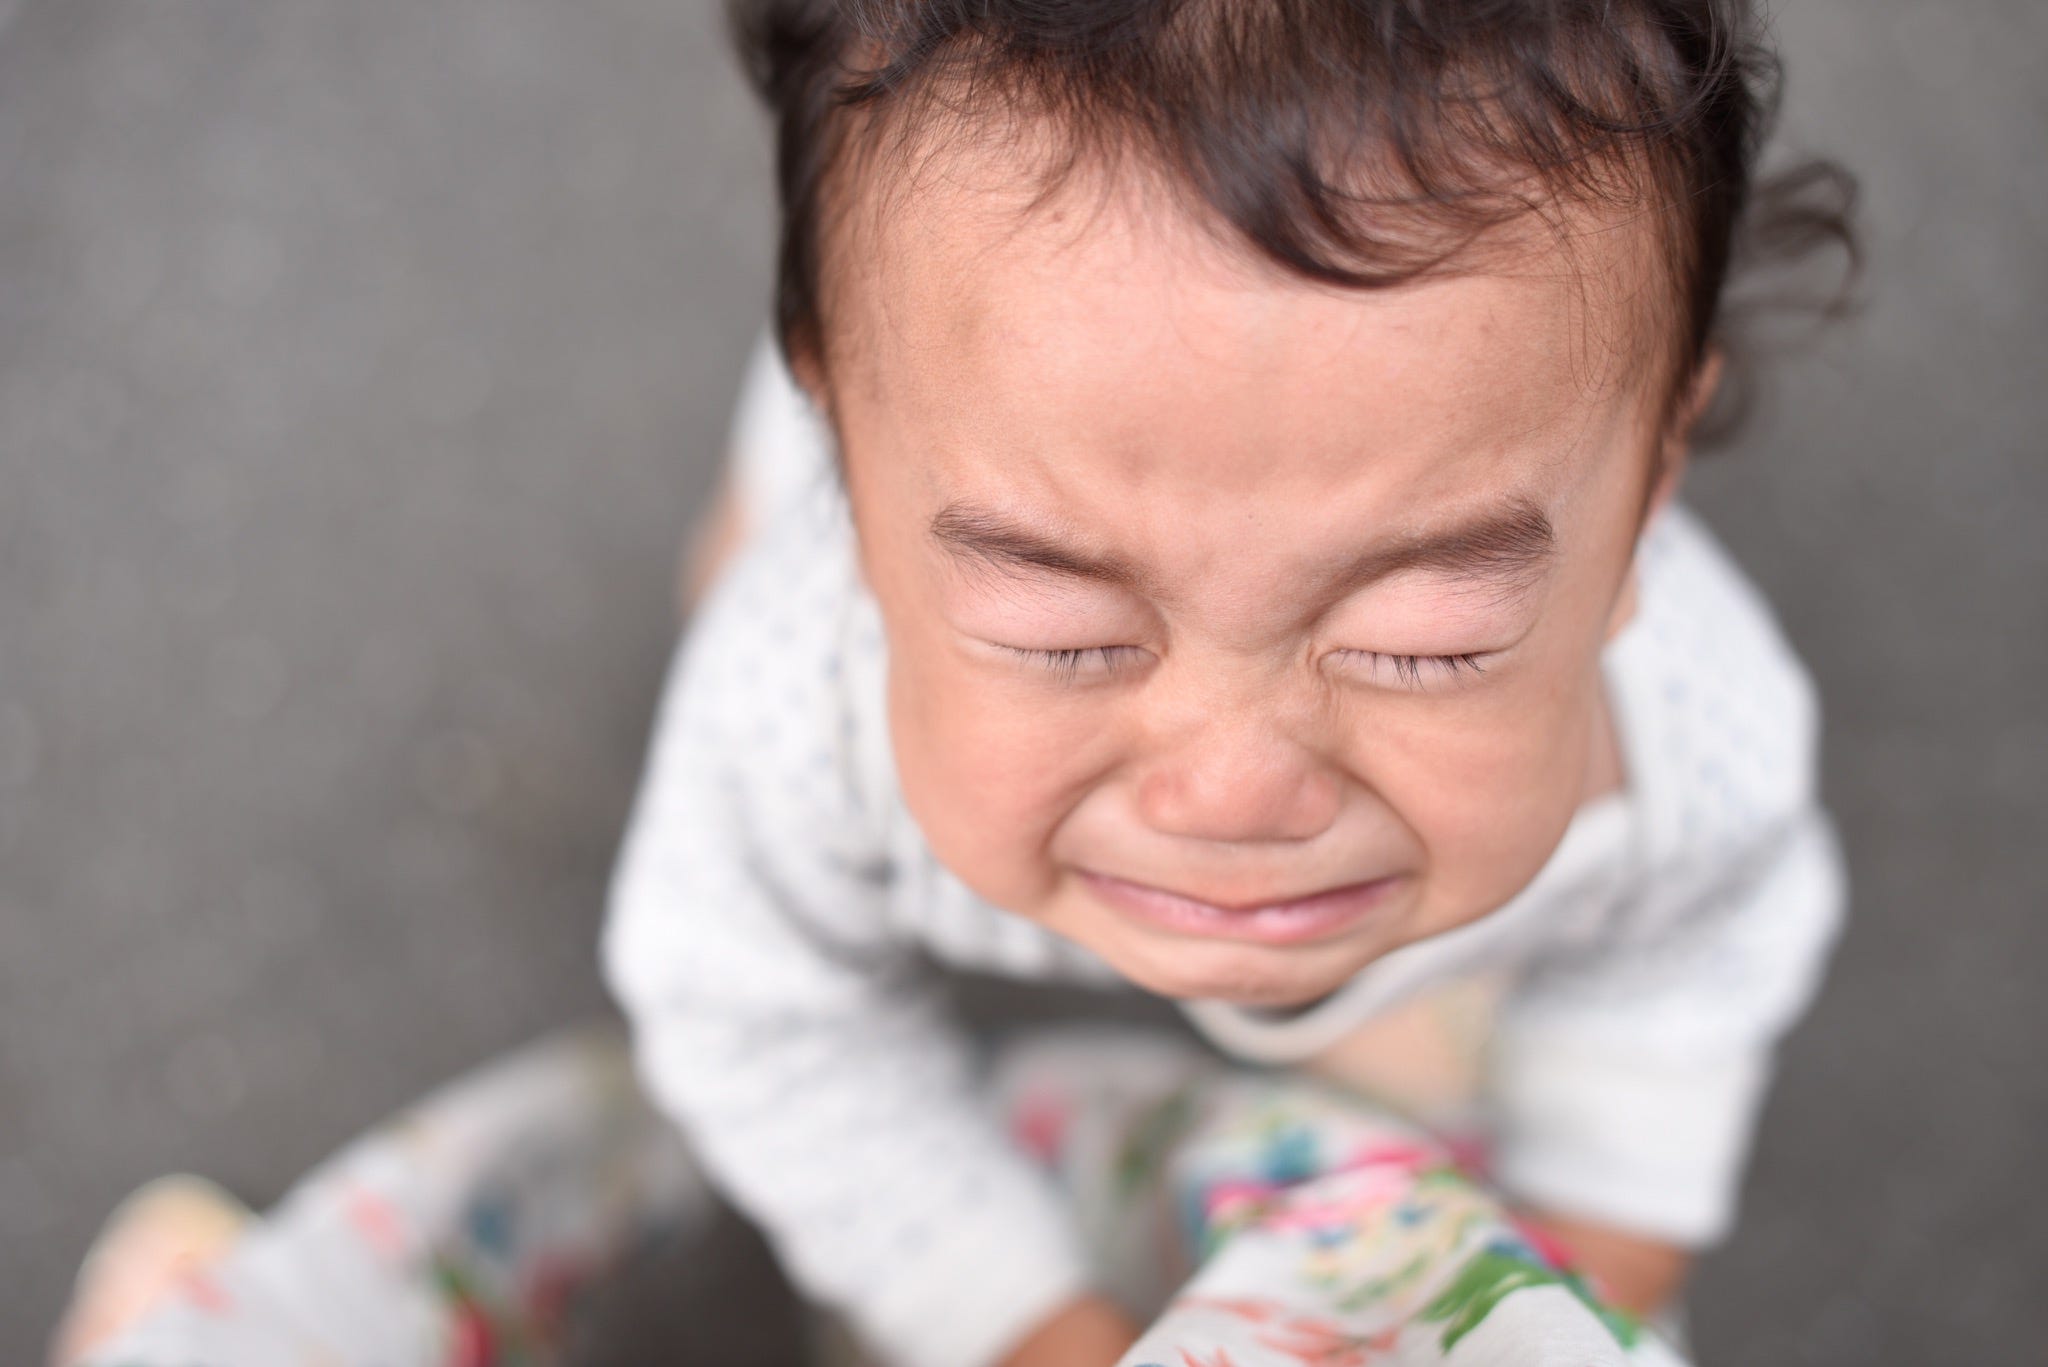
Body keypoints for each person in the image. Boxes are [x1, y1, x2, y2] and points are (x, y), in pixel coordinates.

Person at [602, 3, 1857, 1366]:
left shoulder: (1694, 750)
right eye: (1061, 633)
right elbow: (760, 1011)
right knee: (737, 610)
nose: (1237, 794)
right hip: (857, 527)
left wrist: (1594, 1230)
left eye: (1424, 642)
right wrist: (1014, 1317)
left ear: (1651, 496)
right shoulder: (795, 713)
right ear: (846, 456)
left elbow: (1696, 963)